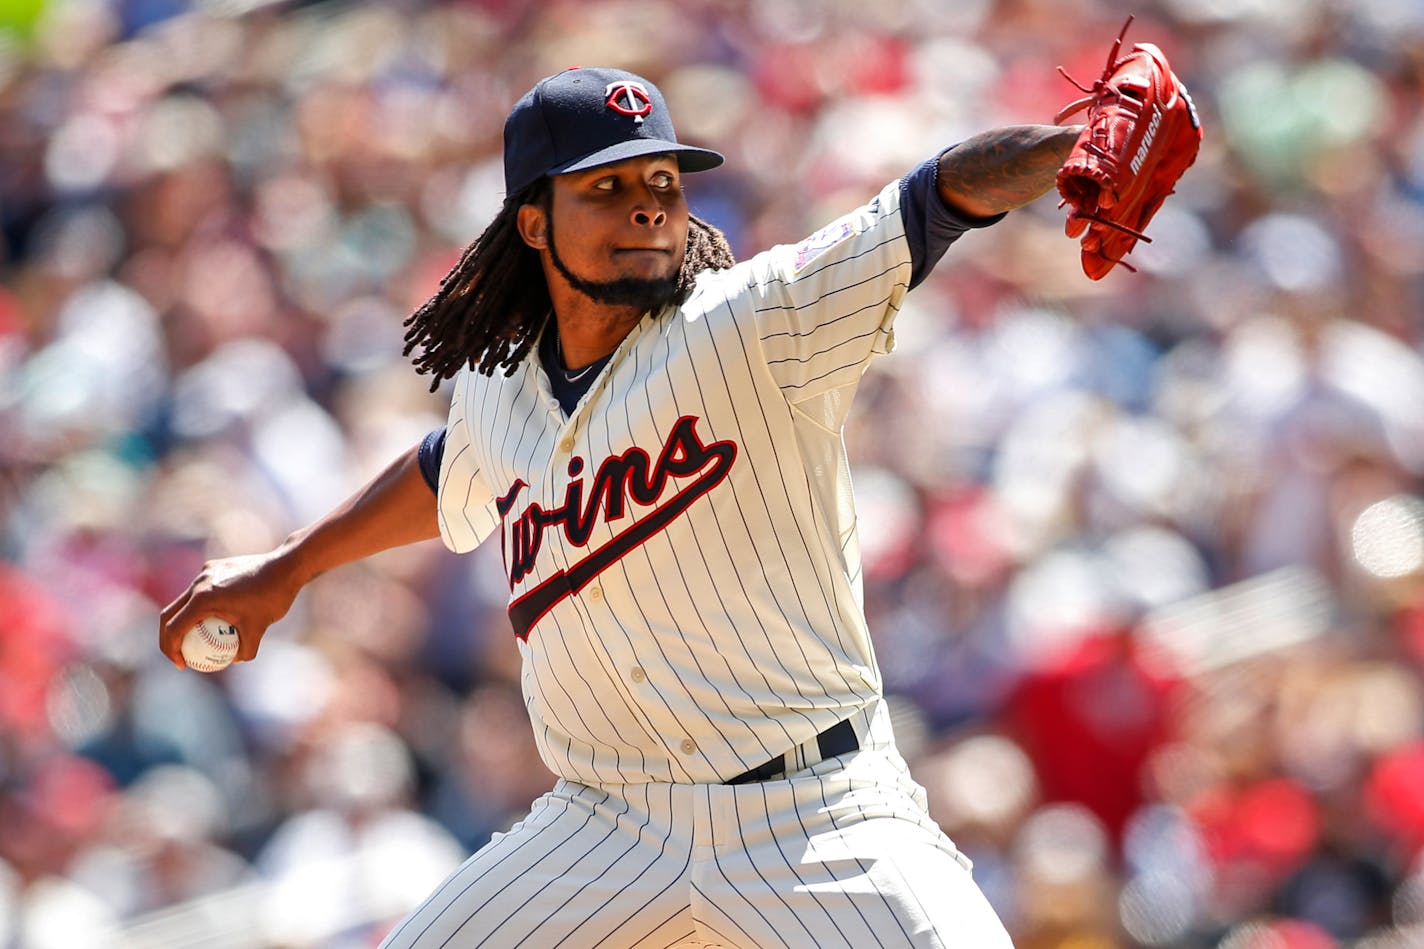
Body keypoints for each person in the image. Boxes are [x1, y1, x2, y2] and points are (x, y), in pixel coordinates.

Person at [161, 66, 1082, 947]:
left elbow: (930, 202)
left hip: (814, 813)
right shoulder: (499, 383)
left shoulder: (751, 322)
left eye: (662, 182)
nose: (647, 204)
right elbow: (449, 470)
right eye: (604, 187)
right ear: (532, 222)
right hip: (606, 828)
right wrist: (285, 569)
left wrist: (1073, 145)